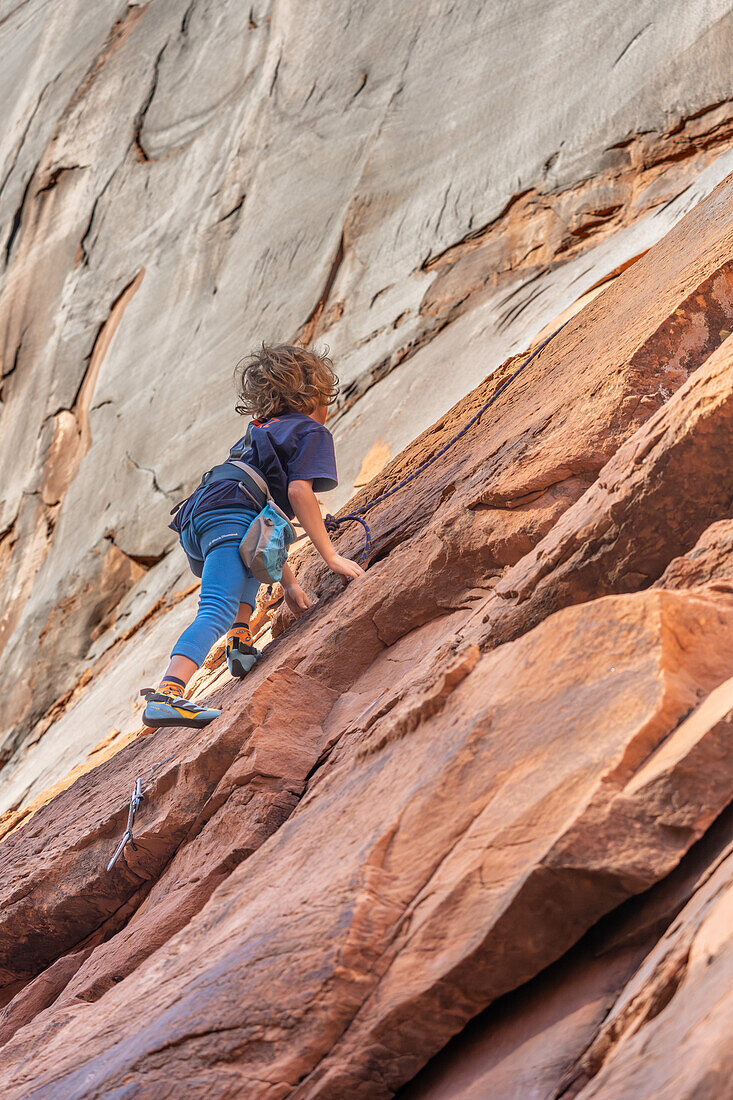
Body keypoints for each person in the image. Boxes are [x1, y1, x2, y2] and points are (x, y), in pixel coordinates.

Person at [141, 343, 365, 730]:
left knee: (244, 566)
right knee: (215, 607)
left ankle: (240, 643)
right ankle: (168, 694)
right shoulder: (310, 429)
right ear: (313, 395)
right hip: (230, 513)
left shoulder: (259, 429)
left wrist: (290, 586)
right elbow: (298, 494)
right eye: (327, 397)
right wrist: (331, 557)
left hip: (203, 516)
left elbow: (266, 529)